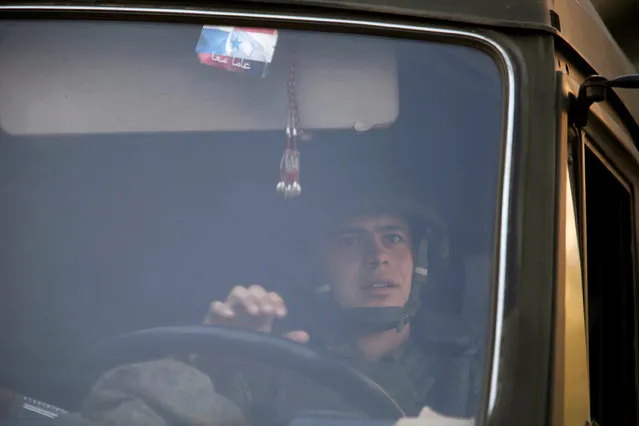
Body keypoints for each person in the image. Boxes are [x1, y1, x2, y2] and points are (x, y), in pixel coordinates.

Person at [51, 178, 482, 426]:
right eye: (350, 241)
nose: (378, 256)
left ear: (420, 260)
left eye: (393, 237)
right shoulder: (268, 373)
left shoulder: (480, 370)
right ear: (317, 269)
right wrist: (211, 360)